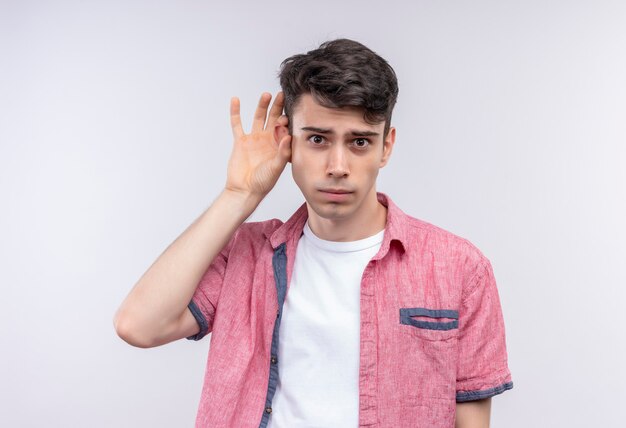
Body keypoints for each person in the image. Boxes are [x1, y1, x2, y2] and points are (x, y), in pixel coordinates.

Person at [114, 38, 513, 428]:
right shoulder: (247, 255)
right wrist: (240, 194)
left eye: (359, 142)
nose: (337, 166)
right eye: (318, 139)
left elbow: (471, 418)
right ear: (288, 142)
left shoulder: (459, 266)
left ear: (385, 147)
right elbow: (140, 325)